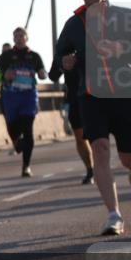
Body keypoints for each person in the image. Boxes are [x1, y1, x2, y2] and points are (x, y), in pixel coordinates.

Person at [54, 0, 131, 235]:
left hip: (123, 95)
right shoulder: (73, 24)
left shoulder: (126, 17)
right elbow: (58, 63)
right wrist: (66, 63)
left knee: (128, 158)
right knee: (99, 148)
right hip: (91, 96)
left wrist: (124, 49)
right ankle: (114, 214)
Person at [0, 27, 47, 177]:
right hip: (10, 97)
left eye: (21, 35)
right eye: (16, 36)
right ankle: (17, 142)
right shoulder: (6, 56)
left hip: (29, 97)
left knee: (28, 130)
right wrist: (4, 76)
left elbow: (43, 72)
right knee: (13, 128)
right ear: (13, 38)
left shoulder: (34, 56)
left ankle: (26, 166)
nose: (18, 38)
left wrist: (43, 74)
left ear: (26, 37)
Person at [48, 54, 94, 185]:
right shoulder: (64, 50)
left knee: (96, 136)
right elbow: (52, 76)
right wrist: (63, 66)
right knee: (80, 138)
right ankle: (90, 170)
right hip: (74, 99)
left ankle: (100, 165)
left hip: (95, 98)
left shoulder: (94, 42)